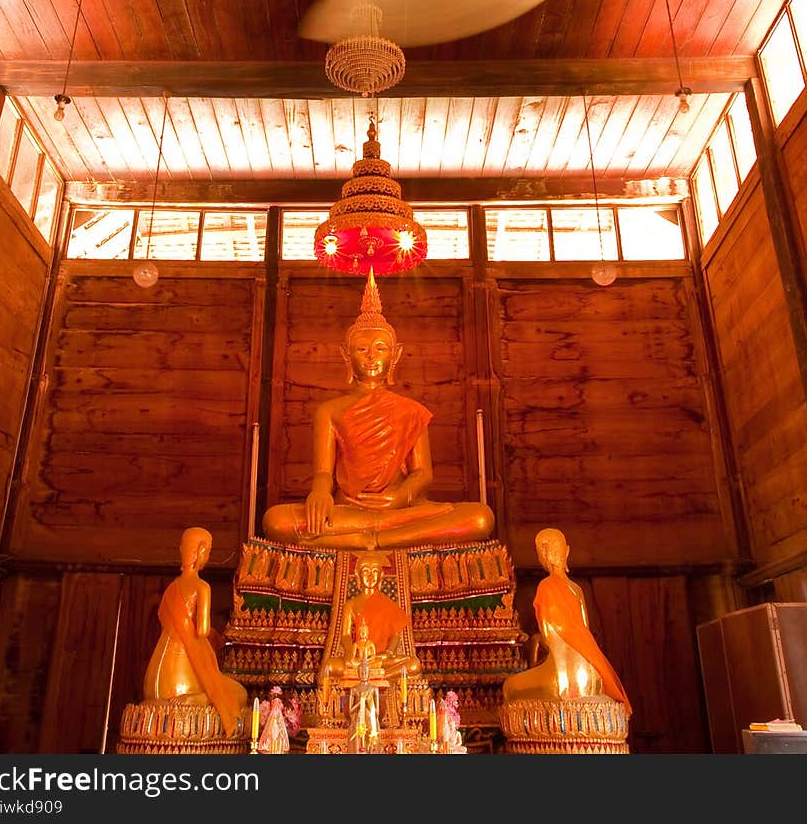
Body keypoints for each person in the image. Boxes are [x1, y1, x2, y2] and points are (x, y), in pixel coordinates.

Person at [263, 271, 495, 549]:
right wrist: (320, 493)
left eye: (381, 348)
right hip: (347, 510)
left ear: (395, 355)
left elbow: (423, 473)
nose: (372, 356)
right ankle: (377, 536)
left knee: (480, 518)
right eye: (361, 349)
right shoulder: (330, 411)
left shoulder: (411, 410)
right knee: (275, 521)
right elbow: (324, 473)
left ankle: (371, 539)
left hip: (401, 510)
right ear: (346, 355)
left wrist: (400, 498)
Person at [502, 527, 631, 714]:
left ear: (542, 556)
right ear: (567, 551)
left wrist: (535, 642)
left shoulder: (545, 587)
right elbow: (584, 633)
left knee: (510, 687)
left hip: (558, 676)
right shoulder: (577, 589)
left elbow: (547, 640)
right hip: (589, 674)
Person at [143, 526, 248, 736]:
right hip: (182, 678)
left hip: (154, 679)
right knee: (240, 693)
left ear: (182, 549)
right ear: (201, 551)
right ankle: (192, 699)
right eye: (208, 552)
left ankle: (189, 698)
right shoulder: (202, 587)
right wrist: (218, 635)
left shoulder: (171, 589)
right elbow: (200, 631)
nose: (207, 557)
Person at [321, 551, 420, 680]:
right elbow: (345, 635)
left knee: (413, 664)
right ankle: (374, 675)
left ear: (381, 576)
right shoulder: (350, 605)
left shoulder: (389, 604)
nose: (370, 576)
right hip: (358, 659)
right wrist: (351, 654)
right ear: (358, 575)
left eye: (374, 571)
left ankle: (380, 676)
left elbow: (395, 636)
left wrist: (388, 653)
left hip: (380, 660)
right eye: (366, 571)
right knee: (329, 666)